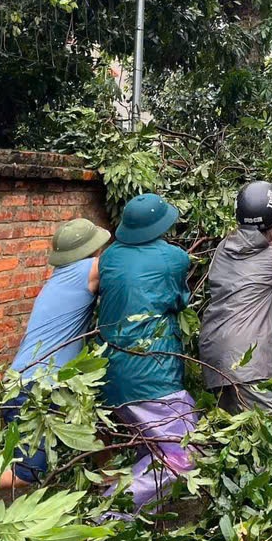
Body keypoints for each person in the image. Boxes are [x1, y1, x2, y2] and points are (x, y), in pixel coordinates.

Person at [97, 193, 199, 511]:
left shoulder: (109, 256)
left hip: (109, 373)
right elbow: (179, 300)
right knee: (183, 452)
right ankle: (111, 511)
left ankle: (141, 520)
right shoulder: (175, 258)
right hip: (151, 376)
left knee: (151, 445)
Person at [0, 218, 112, 489]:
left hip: (26, 382)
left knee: (91, 426)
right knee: (26, 474)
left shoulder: (59, 277)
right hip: (35, 388)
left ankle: (109, 477)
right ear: (92, 249)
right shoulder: (89, 268)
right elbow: (123, 264)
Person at [200, 181, 272, 417]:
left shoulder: (224, 246)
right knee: (269, 429)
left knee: (231, 428)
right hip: (248, 357)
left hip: (213, 349)